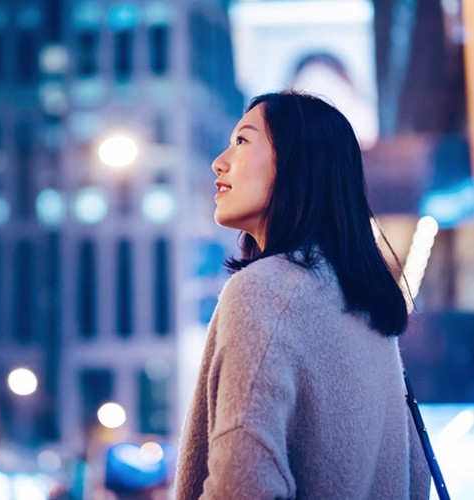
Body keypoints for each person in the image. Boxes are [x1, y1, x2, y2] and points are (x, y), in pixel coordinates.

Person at [173, 90, 430, 499]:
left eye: (242, 140)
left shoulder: (262, 291)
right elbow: (416, 480)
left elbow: (241, 485)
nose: (219, 161)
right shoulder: (370, 314)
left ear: (296, 163)